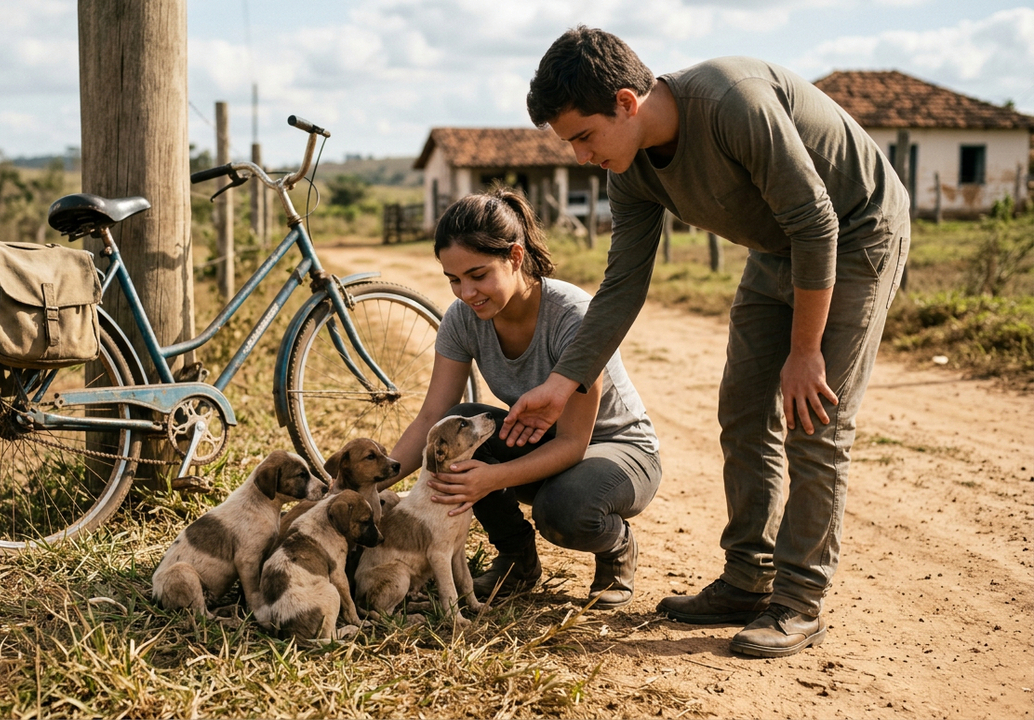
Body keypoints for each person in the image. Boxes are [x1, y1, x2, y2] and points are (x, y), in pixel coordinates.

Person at [504, 27, 911, 658]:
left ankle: (799, 601)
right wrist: (562, 383)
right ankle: (749, 579)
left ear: (625, 102)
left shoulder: (733, 103)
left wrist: (806, 352)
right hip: (778, 247)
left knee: (815, 420)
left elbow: (817, 222)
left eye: (583, 136)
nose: (580, 156)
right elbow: (622, 286)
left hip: (854, 235)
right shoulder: (630, 169)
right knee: (744, 412)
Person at [380, 186, 662, 609]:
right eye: (453, 279)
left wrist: (490, 479)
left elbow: (572, 443)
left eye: (478, 275)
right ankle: (516, 559)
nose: (466, 292)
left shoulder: (573, 316)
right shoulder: (462, 319)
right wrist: (365, 486)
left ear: (515, 257)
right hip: (541, 442)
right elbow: (431, 420)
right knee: (461, 420)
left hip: (616, 452)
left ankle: (615, 547)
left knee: (562, 510)